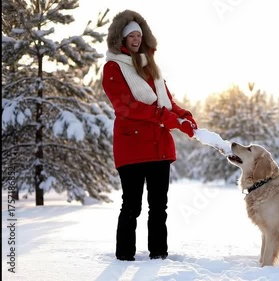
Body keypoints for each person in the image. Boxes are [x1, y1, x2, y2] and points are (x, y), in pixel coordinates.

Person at [102, 10, 197, 261]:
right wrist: (165, 117)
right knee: (131, 206)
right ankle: (124, 258)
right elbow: (126, 106)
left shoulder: (150, 66)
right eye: (130, 35)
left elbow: (167, 103)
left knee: (159, 208)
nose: (135, 39)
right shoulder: (113, 67)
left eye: (138, 35)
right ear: (121, 39)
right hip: (132, 148)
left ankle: (159, 255)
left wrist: (184, 116)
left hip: (158, 147)